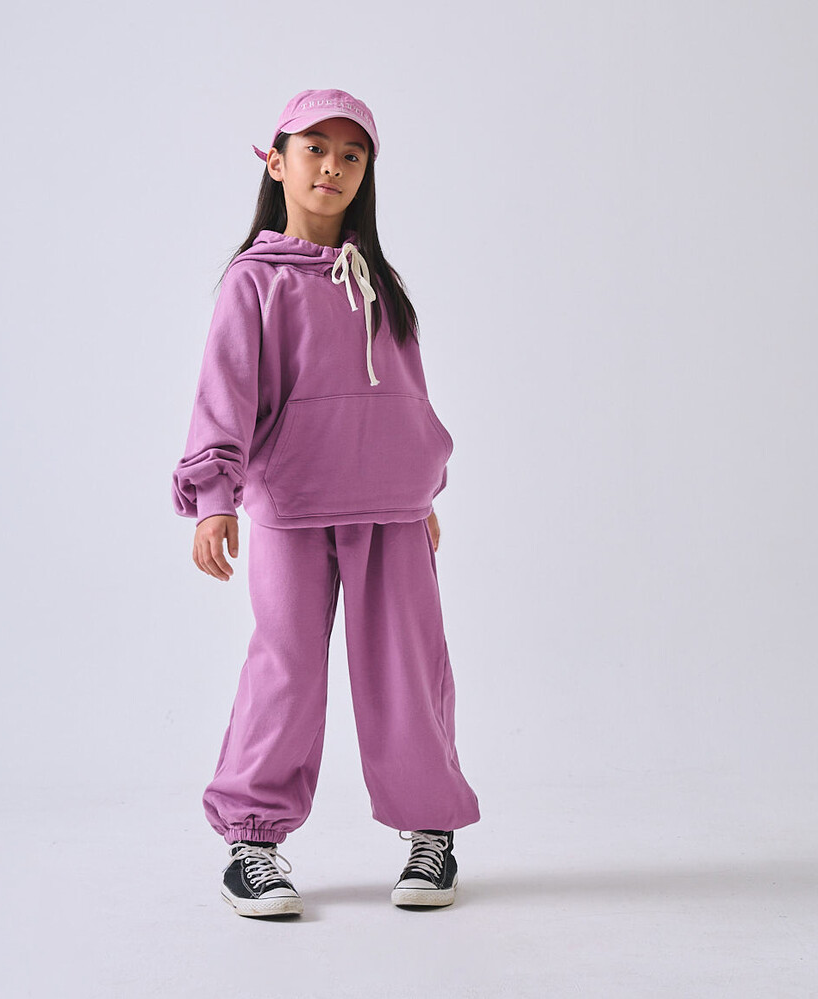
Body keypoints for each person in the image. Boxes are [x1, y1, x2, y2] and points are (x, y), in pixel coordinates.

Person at [171, 88, 481, 918]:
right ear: (277, 163)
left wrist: (423, 489)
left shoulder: (380, 281)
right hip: (293, 504)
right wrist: (213, 496)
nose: (333, 166)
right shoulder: (255, 281)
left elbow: (407, 394)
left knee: (407, 672)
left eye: (352, 154)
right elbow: (226, 391)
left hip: (392, 509)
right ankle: (253, 840)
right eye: (315, 149)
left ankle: (431, 832)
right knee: (286, 672)